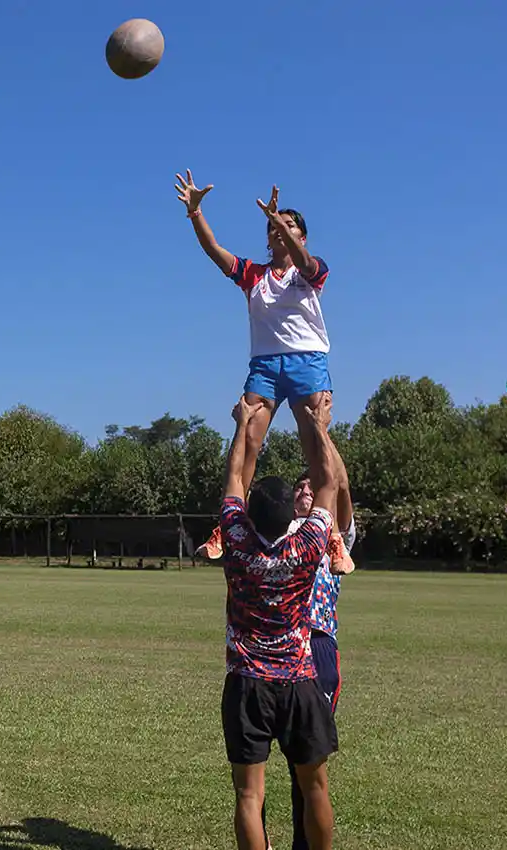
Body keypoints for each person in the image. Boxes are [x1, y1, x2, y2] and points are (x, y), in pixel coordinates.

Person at [173, 169, 335, 565]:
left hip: (307, 361)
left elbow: (305, 260)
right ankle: (227, 527)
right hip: (264, 365)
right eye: (274, 227)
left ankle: (329, 534)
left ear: (302, 236)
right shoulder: (254, 276)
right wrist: (196, 213)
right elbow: (214, 250)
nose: (280, 230)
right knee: (246, 440)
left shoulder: (311, 272)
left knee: (317, 447)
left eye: (289, 225)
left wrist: (279, 218)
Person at [219, 392, 344, 850]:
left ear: (249, 514)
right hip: (298, 681)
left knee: (249, 796)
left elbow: (235, 474)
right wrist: (316, 423)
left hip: (247, 684)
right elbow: (328, 481)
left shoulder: (235, 540)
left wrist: (243, 424)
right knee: (315, 789)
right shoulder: (307, 545)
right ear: (292, 513)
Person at [262, 463, 357, 850]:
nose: (305, 489)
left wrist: (321, 431)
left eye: (311, 485)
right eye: (299, 486)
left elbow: (341, 485)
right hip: (273, 645)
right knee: (253, 764)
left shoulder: (333, 536)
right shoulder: (273, 532)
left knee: (305, 763)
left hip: (316, 646)